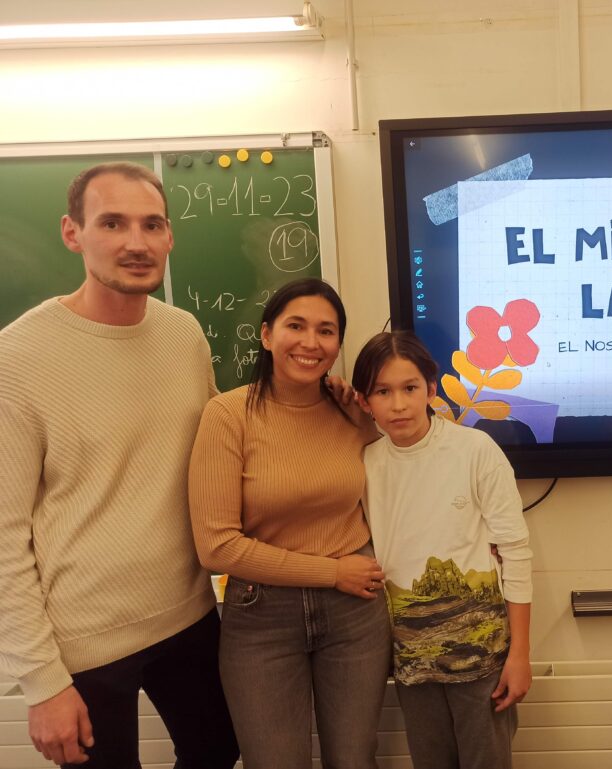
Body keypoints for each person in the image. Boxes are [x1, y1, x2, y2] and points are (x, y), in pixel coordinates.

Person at [0, 162, 239, 768]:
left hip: (189, 613)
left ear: (169, 236)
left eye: (151, 224)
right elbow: (3, 535)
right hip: (84, 642)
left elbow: (223, 449)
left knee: (219, 748)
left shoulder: (183, 334)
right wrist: (41, 682)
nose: (137, 242)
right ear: (72, 233)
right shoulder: (17, 357)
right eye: (112, 223)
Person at [188, 278, 392, 769]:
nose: (310, 342)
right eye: (295, 326)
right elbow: (216, 547)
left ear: (338, 344)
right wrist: (330, 572)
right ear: (266, 335)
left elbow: (418, 461)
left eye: (326, 331)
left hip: (355, 612)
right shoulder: (227, 415)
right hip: (262, 614)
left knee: (355, 760)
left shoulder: (353, 412)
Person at [351, 331, 533, 769]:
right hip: (412, 661)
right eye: (382, 391)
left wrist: (520, 654)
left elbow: (516, 551)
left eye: (410, 388)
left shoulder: (475, 450)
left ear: (431, 389)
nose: (398, 404)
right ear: (364, 401)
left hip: (484, 659)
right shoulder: (366, 463)